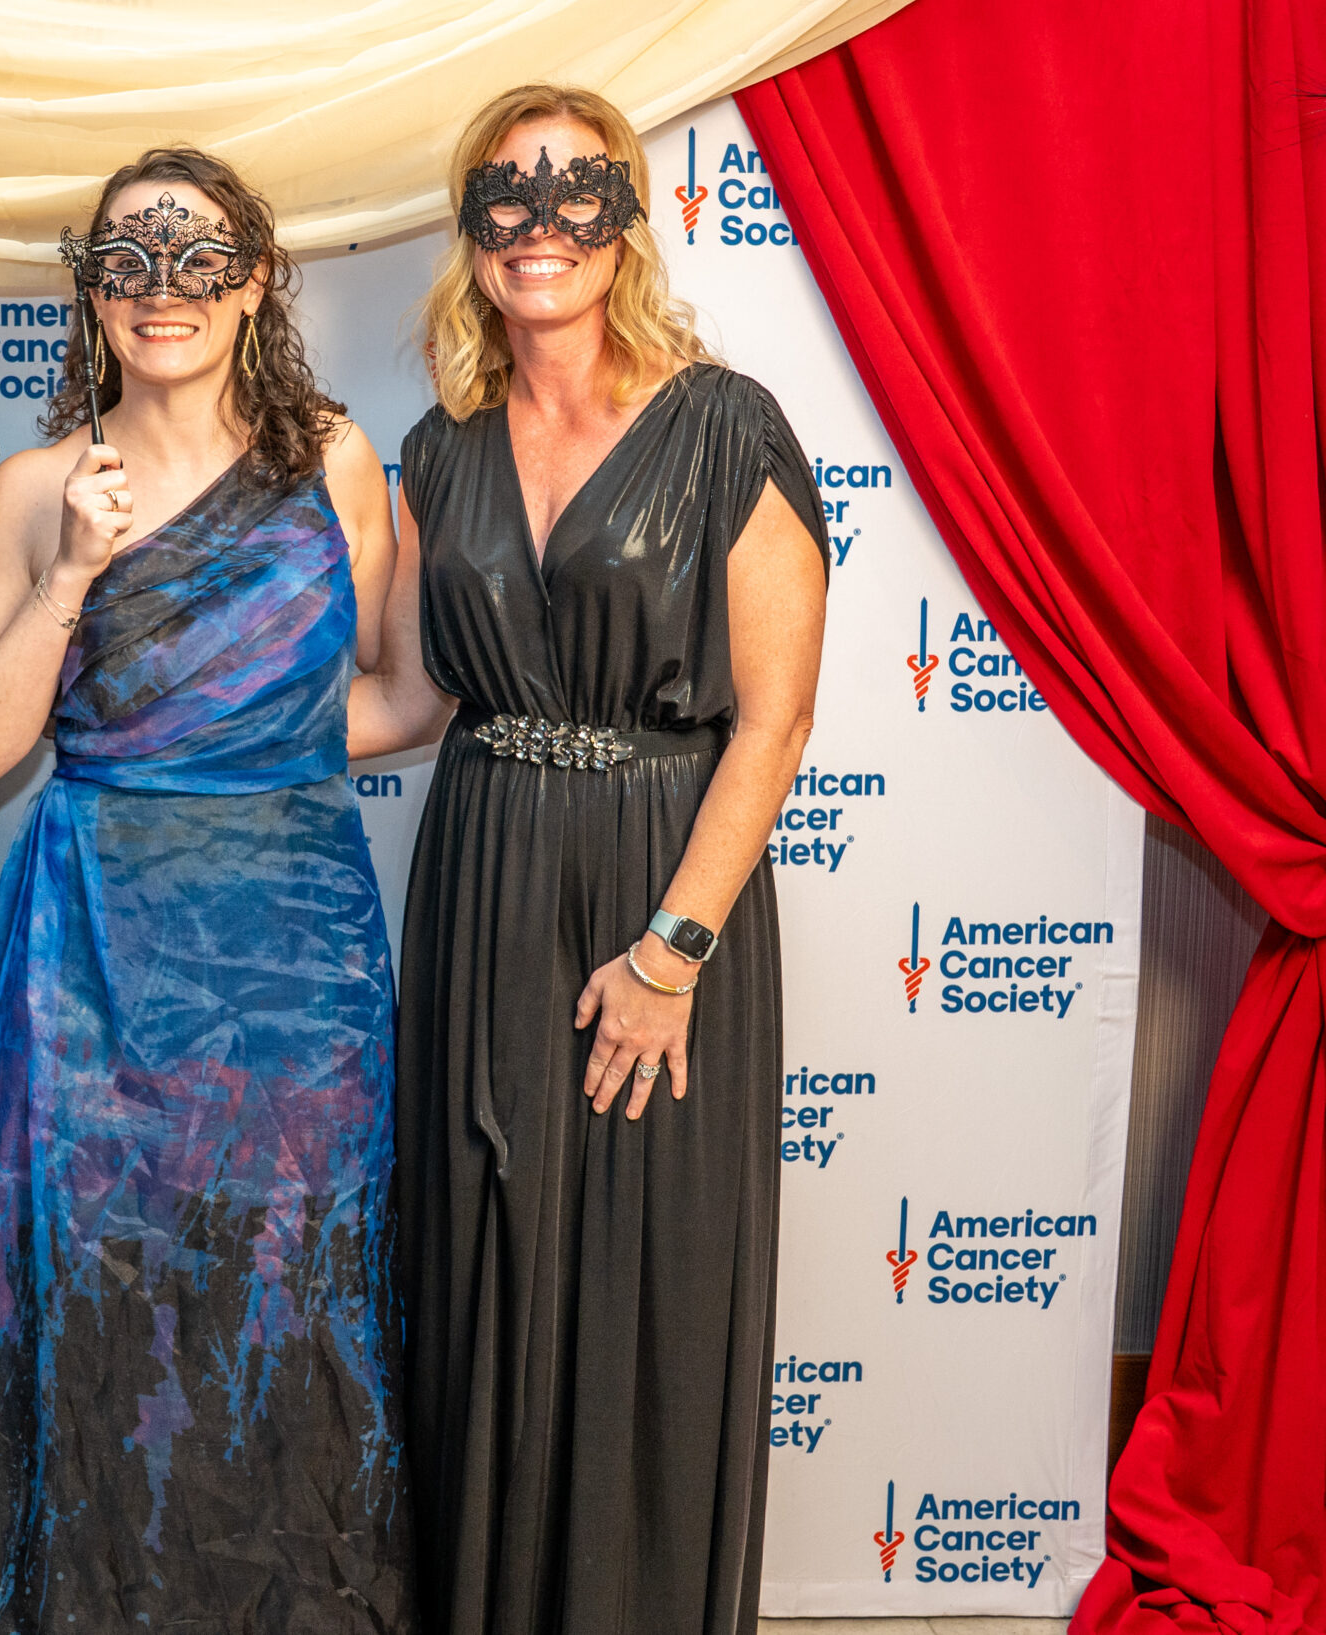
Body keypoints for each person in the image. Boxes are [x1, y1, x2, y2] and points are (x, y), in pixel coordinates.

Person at [349, 85, 828, 1635]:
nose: (539, 227)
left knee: (645, 1283)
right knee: (481, 1265)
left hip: (659, 892)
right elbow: (408, 701)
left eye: (576, 193)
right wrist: (192, 709)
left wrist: (672, 953)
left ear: (626, 221)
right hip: (484, 884)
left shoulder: (727, 424)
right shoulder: (441, 450)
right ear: (468, 228)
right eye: (506, 194)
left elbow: (775, 718)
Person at [0, 150, 414, 1634]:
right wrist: (72, 573)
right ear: (91, 290)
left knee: (292, 1299)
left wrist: (235, 751)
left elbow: (403, 693)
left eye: (200, 258)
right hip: (89, 965)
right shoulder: (34, 487)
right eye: (128, 262)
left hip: (297, 957)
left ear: (256, 281)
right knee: (100, 1305)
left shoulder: (334, 460)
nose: (164, 292)